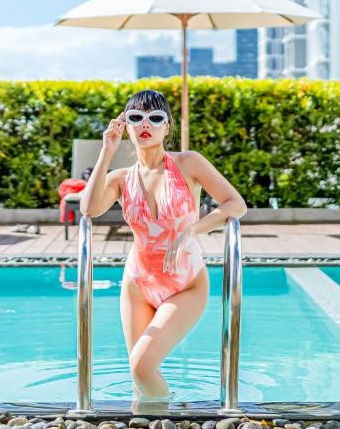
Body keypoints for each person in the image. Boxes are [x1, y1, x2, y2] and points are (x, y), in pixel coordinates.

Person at [79, 89, 247, 404]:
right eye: (136, 117)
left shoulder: (188, 163)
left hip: (186, 284)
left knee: (141, 367)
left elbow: (235, 204)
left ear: (167, 126)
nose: (146, 124)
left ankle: (164, 417)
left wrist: (189, 233)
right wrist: (107, 151)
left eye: (155, 118)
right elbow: (89, 209)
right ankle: (147, 424)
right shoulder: (121, 178)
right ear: (125, 125)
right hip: (138, 284)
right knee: (139, 372)